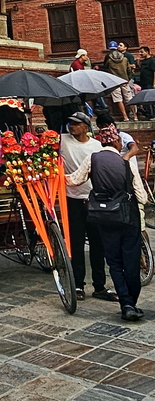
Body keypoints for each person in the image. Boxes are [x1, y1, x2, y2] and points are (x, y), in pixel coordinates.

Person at [66, 122, 148, 322]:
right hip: (128, 218)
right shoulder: (126, 161)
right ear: (118, 141)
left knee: (114, 262)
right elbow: (142, 196)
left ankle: (126, 303)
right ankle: (131, 303)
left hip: (104, 218)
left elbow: (74, 180)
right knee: (130, 262)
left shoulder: (92, 159)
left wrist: (55, 173)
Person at [60, 113, 117, 302]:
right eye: (70, 123)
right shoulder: (62, 141)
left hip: (93, 198)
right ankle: (78, 284)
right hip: (72, 199)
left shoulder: (96, 146)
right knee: (76, 243)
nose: (72, 127)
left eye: (76, 124)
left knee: (97, 243)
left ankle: (99, 286)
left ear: (86, 127)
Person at [102, 41, 135, 122]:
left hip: (114, 82)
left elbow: (106, 69)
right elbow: (129, 70)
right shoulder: (125, 58)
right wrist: (128, 78)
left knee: (118, 99)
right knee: (129, 98)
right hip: (124, 80)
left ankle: (125, 117)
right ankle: (135, 116)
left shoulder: (108, 59)